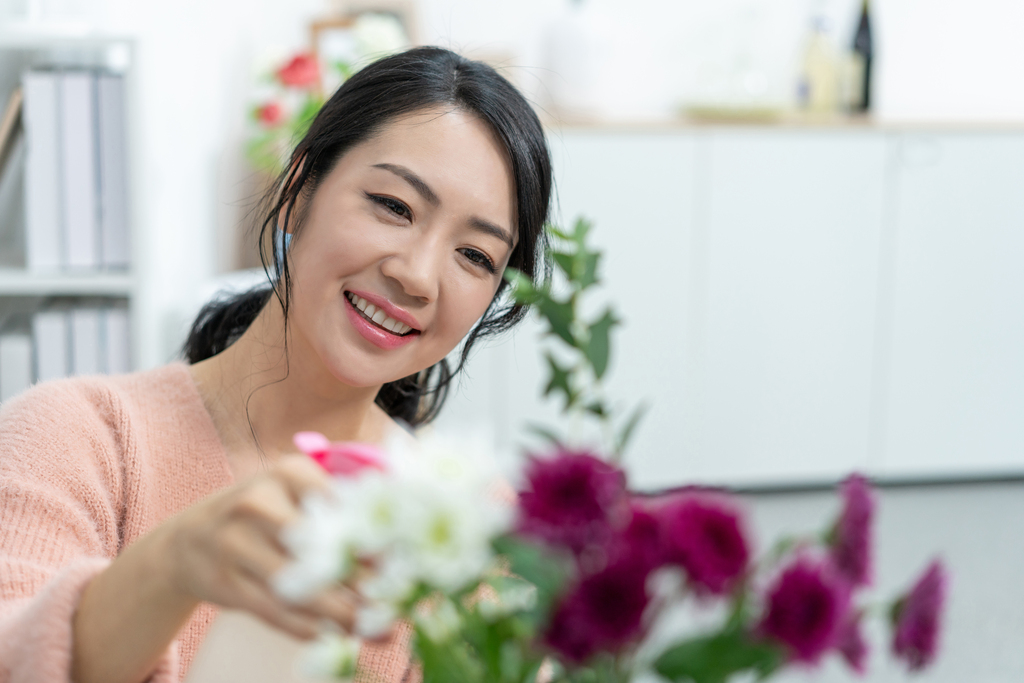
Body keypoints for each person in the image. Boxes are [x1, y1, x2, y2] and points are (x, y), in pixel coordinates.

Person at [0, 47, 552, 683]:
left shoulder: (471, 529)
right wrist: (174, 563)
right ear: (297, 192)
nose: (418, 275)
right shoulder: (75, 437)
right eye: (393, 206)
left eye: (476, 256)